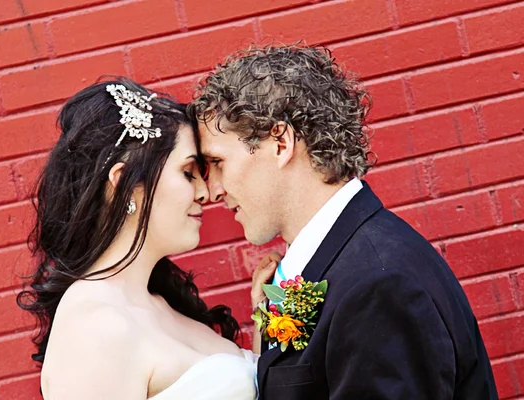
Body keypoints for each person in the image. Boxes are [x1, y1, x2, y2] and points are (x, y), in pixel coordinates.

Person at [188, 43, 499, 399]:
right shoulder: (340, 262)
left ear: (280, 143)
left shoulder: (379, 286)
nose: (212, 191)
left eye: (218, 163)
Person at [17, 77, 268, 399]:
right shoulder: (95, 324)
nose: (205, 193)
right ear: (123, 184)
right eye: (188, 173)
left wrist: (266, 317)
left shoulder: (158, 303)